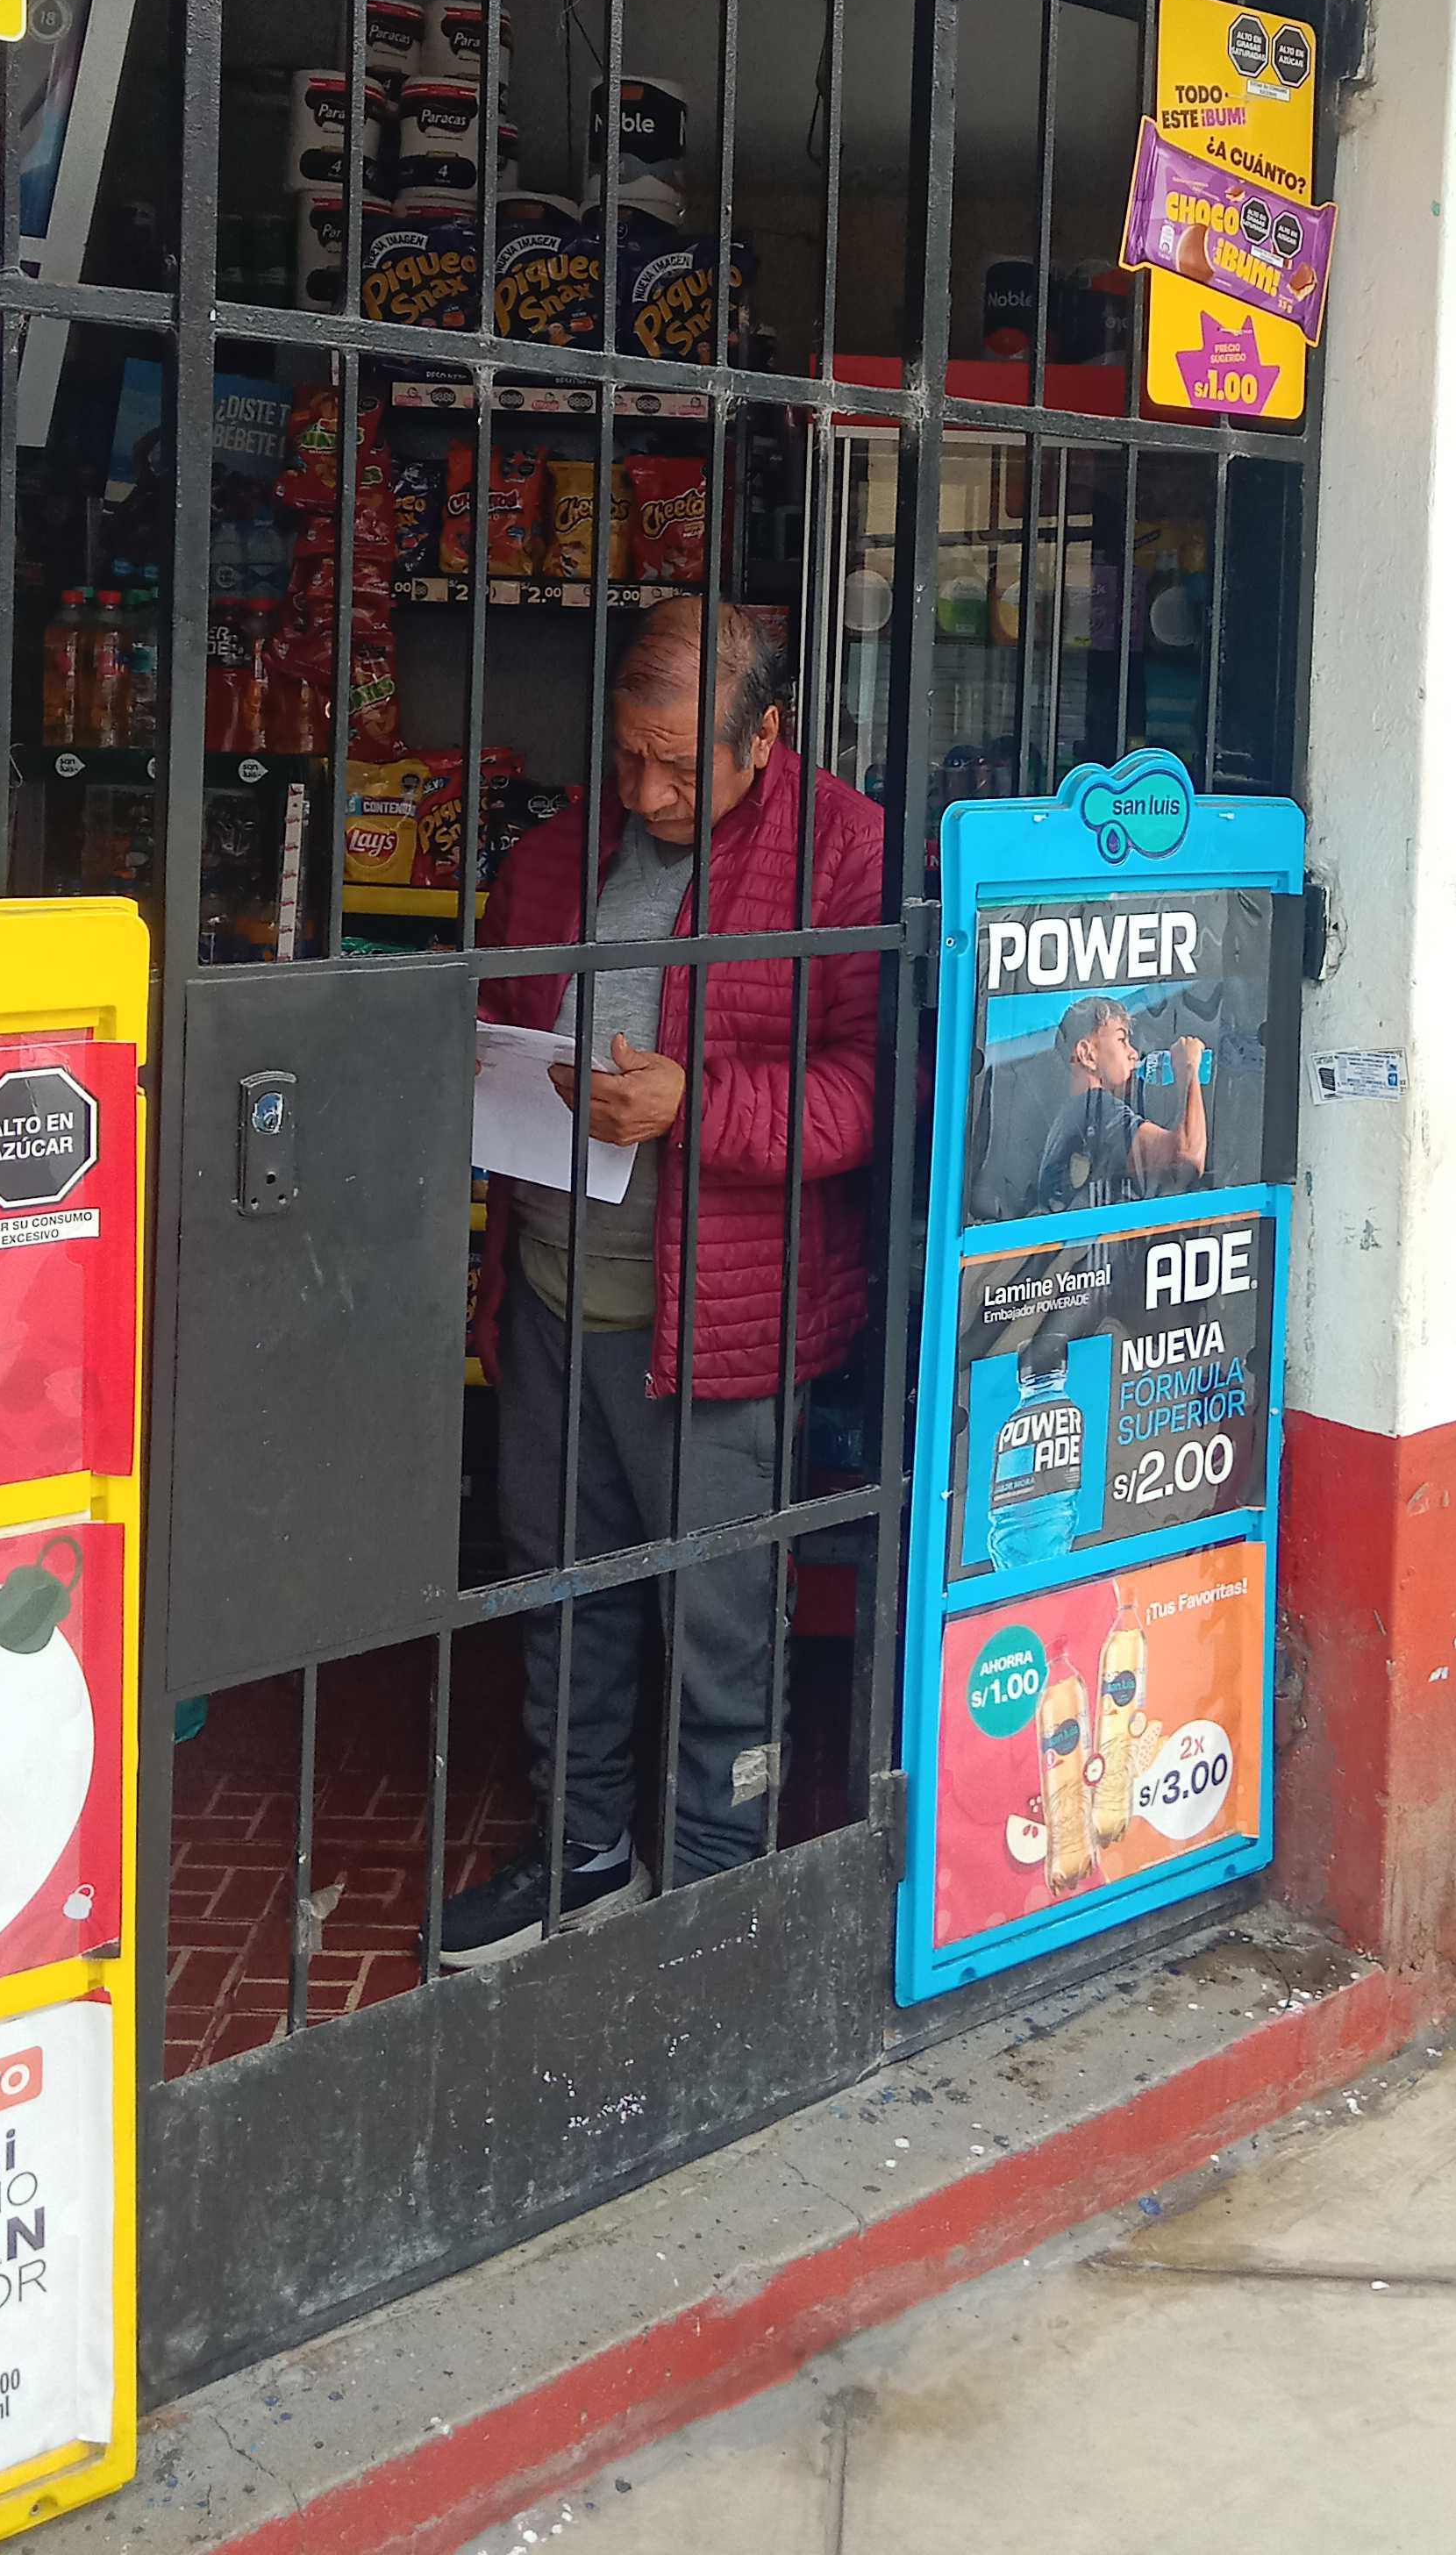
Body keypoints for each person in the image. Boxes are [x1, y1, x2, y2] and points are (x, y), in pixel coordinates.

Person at [437, 598, 886, 1965]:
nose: (645, 794)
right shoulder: (563, 849)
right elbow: (501, 1024)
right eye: (628, 757)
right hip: (550, 1294)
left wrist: (694, 1108)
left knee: (719, 1625)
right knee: (560, 1595)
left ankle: (710, 1894)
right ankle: (582, 1860)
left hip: (720, 1323)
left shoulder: (844, 856)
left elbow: (867, 1098)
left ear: (767, 736)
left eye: (682, 766)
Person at [1031, 999, 1206, 1212]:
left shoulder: (1071, 1118)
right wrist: (1188, 1068)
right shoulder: (1097, 1109)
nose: (1134, 1054)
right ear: (1087, 1055)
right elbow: (1186, 1160)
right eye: (1122, 1040)